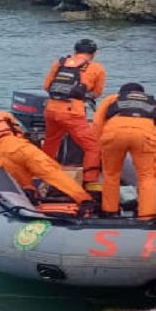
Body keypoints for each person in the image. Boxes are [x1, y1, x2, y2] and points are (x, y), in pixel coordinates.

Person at [0, 97, 94, 211]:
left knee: (23, 183)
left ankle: (32, 203)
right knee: (52, 172)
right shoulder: (2, 115)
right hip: (20, 147)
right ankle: (84, 200)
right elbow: (18, 131)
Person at [93, 82, 156, 219]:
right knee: (147, 178)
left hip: (114, 134)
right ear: (142, 93)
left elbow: (97, 123)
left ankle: (110, 211)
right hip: (145, 137)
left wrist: (98, 148)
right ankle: (146, 216)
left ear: (122, 93)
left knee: (111, 174)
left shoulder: (112, 99)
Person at [41, 39, 106, 194]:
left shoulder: (60, 63)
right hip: (72, 111)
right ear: (94, 54)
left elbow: (46, 86)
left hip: (51, 109)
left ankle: (42, 172)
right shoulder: (96, 68)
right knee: (92, 147)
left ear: (75, 50)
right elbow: (97, 93)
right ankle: (89, 182)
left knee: (51, 142)